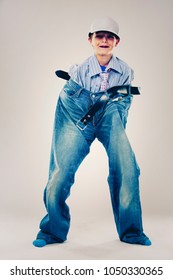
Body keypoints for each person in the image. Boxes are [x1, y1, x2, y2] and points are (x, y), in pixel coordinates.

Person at [33, 16, 151, 247]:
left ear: (117, 41)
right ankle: (52, 232)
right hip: (76, 109)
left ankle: (132, 232)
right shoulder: (79, 70)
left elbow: (122, 106)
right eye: (99, 36)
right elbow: (74, 95)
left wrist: (111, 113)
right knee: (61, 171)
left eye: (110, 37)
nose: (104, 40)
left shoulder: (126, 71)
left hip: (111, 110)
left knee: (126, 165)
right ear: (91, 40)